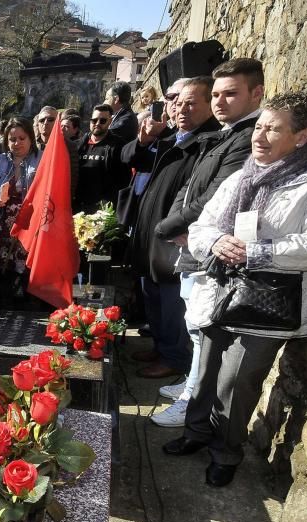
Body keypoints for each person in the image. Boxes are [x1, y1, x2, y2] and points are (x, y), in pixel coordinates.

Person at [165, 91, 307, 488]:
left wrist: (257, 252)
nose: (260, 136)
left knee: (240, 381)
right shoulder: (240, 176)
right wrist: (215, 243)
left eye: (273, 129)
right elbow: (202, 226)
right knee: (207, 370)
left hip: (268, 303)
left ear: (301, 137)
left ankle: (226, 451)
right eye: (259, 126)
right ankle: (195, 434)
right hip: (220, 289)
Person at [150, 58, 265, 427]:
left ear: (257, 93)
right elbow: (191, 187)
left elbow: (218, 196)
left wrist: (169, 227)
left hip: (212, 248)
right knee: (194, 324)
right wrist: (176, 224)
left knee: (202, 328)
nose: (220, 102)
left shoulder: (249, 137)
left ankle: (193, 401)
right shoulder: (226, 133)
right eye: (216, 94)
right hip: (194, 240)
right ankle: (191, 386)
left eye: (230, 94)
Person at [124, 77, 221, 380]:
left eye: (190, 103)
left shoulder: (208, 142)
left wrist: (170, 227)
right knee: (152, 297)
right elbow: (131, 158)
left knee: (171, 303)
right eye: (176, 102)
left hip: (174, 238)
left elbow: (202, 195)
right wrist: (146, 138)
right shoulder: (170, 137)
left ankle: (174, 357)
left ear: (210, 104)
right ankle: (162, 346)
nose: (180, 108)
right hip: (152, 237)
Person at [0, 117, 41, 299]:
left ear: (31, 138)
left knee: (26, 270)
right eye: (12, 139)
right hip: (1, 223)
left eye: (22, 138)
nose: (17, 143)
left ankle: (26, 306)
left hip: (30, 224)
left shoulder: (42, 160)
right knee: (2, 270)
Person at [73, 104, 131, 213]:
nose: (97, 124)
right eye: (94, 120)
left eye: (102, 121)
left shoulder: (119, 146)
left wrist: (109, 207)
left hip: (102, 212)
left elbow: (123, 181)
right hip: (77, 208)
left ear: (110, 121)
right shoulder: (79, 145)